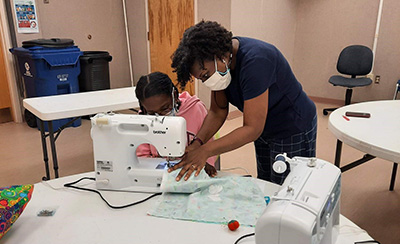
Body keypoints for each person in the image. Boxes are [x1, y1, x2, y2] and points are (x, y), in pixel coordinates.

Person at [168, 20, 317, 184]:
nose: (207, 81)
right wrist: (198, 143)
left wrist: (205, 151)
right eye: (201, 79)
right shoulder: (222, 66)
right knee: (267, 181)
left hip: (292, 124)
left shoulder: (256, 61)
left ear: (220, 55)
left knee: (289, 186)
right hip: (264, 127)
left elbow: (252, 129)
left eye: (205, 75)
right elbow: (218, 111)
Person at [135, 72, 217, 177]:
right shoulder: (143, 119)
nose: (160, 117)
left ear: (174, 95)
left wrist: (206, 163)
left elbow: (208, 145)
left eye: (165, 109)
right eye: (152, 113)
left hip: (194, 169)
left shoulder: (196, 109)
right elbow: (142, 157)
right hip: (159, 175)